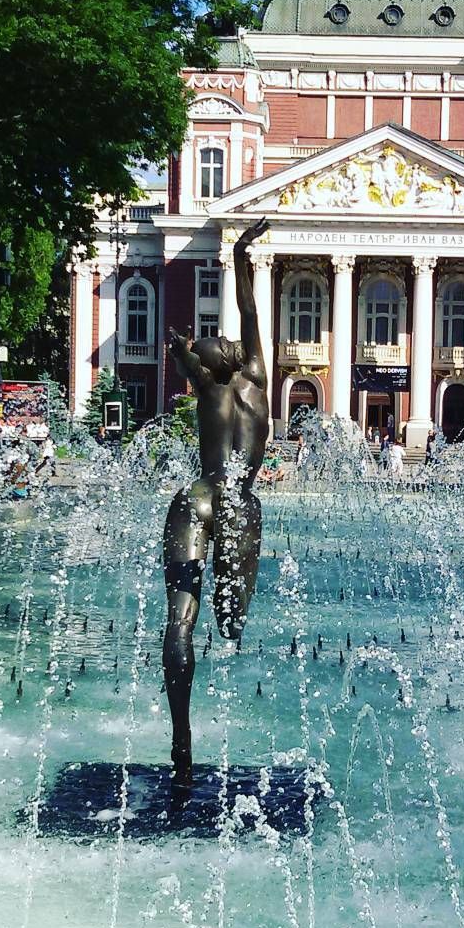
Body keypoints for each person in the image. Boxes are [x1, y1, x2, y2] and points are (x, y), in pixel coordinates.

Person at [162, 218, 270, 781]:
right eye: (220, 342)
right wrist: (246, 257)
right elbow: (251, 313)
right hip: (238, 503)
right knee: (229, 626)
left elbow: (186, 359)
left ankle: (182, 744)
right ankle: (183, 743)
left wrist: (184, 351)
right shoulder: (254, 376)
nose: (229, 339)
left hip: (194, 498)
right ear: (224, 358)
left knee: (180, 620)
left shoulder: (206, 385)